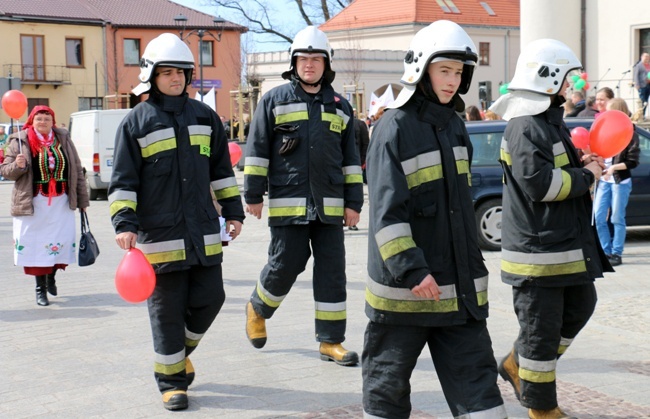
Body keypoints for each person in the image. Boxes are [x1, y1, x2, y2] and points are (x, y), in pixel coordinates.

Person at [363, 20, 507, 419]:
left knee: (484, 403)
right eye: (445, 70)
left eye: (459, 72)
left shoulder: (455, 126)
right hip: (405, 298)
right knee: (386, 395)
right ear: (421, 69)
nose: (452, 80)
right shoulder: (393, 127)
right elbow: (387, 214)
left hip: (457, 296)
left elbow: (458, 210)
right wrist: (411, 270)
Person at [108, 33, 244, 411]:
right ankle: (171, 382)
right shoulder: (136, 122)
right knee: (166, 311)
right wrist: (124, 223)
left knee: (210, 298)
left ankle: (179, 355)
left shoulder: (206, 117)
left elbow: (221, 171)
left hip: (202, 231)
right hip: (159, 237)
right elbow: (123, 181)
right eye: (166, 72)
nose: (175, 79)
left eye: (181, 72)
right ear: (151, 76)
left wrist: (233, 212)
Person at [490, 38, 612, 418]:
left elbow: (557, 169)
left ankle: (517, 362)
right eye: (567, 78)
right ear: (547, 78)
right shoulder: (525, 126)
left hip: (562, 248)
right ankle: (541, 409)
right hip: (537, 257)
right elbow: (541, 185)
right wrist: (586, 176)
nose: (572, 86)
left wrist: (582, 163)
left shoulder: (546, 122)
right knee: (541, 334)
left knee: (581, 305)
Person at [243, 26, 363, 366]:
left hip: (329, 205)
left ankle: (331, 340)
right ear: (293, 63)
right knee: (286, 265)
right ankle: (258, 307)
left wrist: (354, 202)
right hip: (288, 203)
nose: (309, 65)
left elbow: (350, 160)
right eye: (303, 59)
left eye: (315, 59)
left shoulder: (341, 107)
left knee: (332, 271)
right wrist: (253, 193)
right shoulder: (274, 100)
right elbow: (257, 150)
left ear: (326, 64)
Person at [0, 106, 89, 306]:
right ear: (32, 121)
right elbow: (5, 171)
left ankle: (52, 277)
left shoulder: (63, 139)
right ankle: (40, 289)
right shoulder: (19, 141)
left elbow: (76, 170)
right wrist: (18, 166)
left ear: (53, 122)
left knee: (58, 243)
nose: (43, 122)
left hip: (61, 202)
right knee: (36, 246)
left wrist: (83, 201)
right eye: (38, 119)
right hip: (33, 203)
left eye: (47, 119)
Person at [593, 98, 640, 266]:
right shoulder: (606, 130)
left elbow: (633, 161)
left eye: (610, 110)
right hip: (605, 181)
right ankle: (605, 251)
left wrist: (614, 168)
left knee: (617, 218)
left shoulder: (630, 133)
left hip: (620, 182)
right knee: (598, 217)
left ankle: (616, 253)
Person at [353, 110, 370, 188]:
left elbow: (366, 144)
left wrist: (362, 160)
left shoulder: (359, 124)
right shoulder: (360, 124)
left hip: (357, 160)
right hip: (357, 160)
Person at [633, 52, 650, 120]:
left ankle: (644, 114)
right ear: (642, 57)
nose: (647, 58)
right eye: (645, 57)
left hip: (649, 85)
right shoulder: (639, 66)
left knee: (646, 100)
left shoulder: (649, 65)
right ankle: (641, 116)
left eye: (648, 57)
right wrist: (637, 84)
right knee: (642, 101)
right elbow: (636, 75)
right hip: (642, 85)